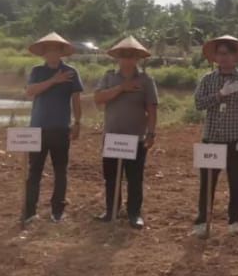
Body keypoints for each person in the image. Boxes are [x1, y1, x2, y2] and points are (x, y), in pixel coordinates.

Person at [191, 35, 238, 237]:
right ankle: (202, 221)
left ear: (235, 57)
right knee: (207, 183)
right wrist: (220, 94)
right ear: (215, 57)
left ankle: (235, 221)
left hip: (234, 141)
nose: (224, 57)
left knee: (236, 181)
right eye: (220, 54)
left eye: (227, 54)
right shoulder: (208, 80)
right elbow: (199, 104)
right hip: (211, 139)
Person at [93, 36, 159, 230]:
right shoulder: (108, 77)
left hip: (136, 138)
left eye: (131, 56)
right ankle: (111, 210)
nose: (127, 60)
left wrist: (151, 133)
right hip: (112, 137)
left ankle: (134, 213)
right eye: (124, 56)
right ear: (118, 58)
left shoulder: (146, 81)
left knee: (135, 178)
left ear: (137, 58)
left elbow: (152, 109)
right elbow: (98, 98)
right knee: (111, 176)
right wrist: (121, 88)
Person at [23, 32, 83, 224]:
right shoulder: (37, 72)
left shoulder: (71, 72)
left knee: (60, 171)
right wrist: (53, 81)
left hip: (60, 129)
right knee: (34, 172)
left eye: (55, 49)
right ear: (44, 53)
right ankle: (29, 211)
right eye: (48, 49)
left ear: (61, 52)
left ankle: (58, 210)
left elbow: (76, 99)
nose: (52, 52)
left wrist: (77, 123)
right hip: (37, 129)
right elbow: (30, 92)